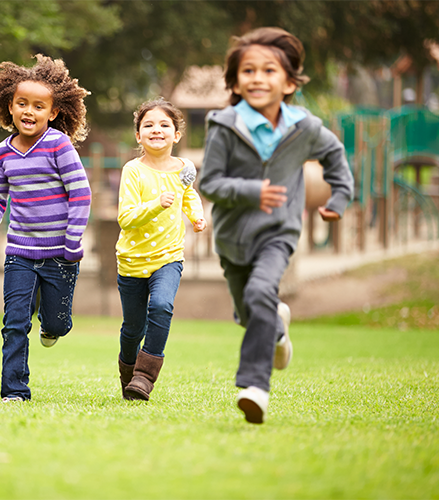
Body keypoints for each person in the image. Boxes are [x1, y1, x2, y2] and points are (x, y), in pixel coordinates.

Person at [198, 27, 354, 423]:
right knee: (249, 311)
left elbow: (336, 158)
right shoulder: (225, 125)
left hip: (278, 233)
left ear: (288, 82)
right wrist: (252, 191)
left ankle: (255, 387)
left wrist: (338, 198)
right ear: (235, 81)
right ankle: (278, 332)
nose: (257, 78)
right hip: (232, 237)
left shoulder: (304, 128)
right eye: (248, 71)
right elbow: (210, 183)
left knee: (261, 291)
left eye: (269, 71)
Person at [0, 54, 92, 402]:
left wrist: (72, 241)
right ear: (8, 106)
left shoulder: (58, 145)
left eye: (39, 106)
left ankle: (52, 319)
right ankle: (14, 390)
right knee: (14, 323)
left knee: (56, 324)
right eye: (22, 104)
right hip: (20, 253)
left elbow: (81, 193)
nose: (29, 111)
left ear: (53, 112)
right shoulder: (3, 153)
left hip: (61, 253)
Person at [116, 98, 207, 401]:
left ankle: (144, 377)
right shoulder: (133, 171)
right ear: (138, 135)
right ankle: (128, 373)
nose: (157, 130)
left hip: (168, 257)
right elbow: (126, 218)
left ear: (177, 134)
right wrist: (156, 205)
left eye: (165, 124)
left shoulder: (185, 168)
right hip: (132, 261)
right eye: (149, 125)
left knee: (161, 307)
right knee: (132, 328)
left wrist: (197, 215)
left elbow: (189, 195)